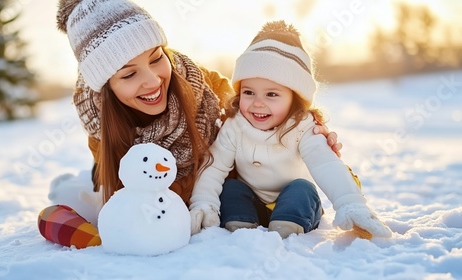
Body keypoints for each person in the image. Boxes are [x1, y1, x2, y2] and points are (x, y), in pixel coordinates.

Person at [38, 0, 342, 248]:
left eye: (156, 58)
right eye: (129, 74)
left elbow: (261, 111)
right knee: (84, 198)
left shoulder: (201, 84)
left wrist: (310, 131)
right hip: (172, 199)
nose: (153, 80)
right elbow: (137, 196)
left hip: (226, 194)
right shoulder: (102, 129)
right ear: (106, 86)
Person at [189, 21, 392, 239]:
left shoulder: (303, 127)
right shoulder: (236, 126)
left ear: (294, 98)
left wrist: (351, 204)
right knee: (232, 189)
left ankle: (287, 225)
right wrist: (203, 202)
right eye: (249, 92)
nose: (257, 103)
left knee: (302, 188)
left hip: (296, 203)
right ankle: (241, 227)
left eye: (272, 94)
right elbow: (214, 167)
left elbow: (326, 164)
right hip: (253, 201)